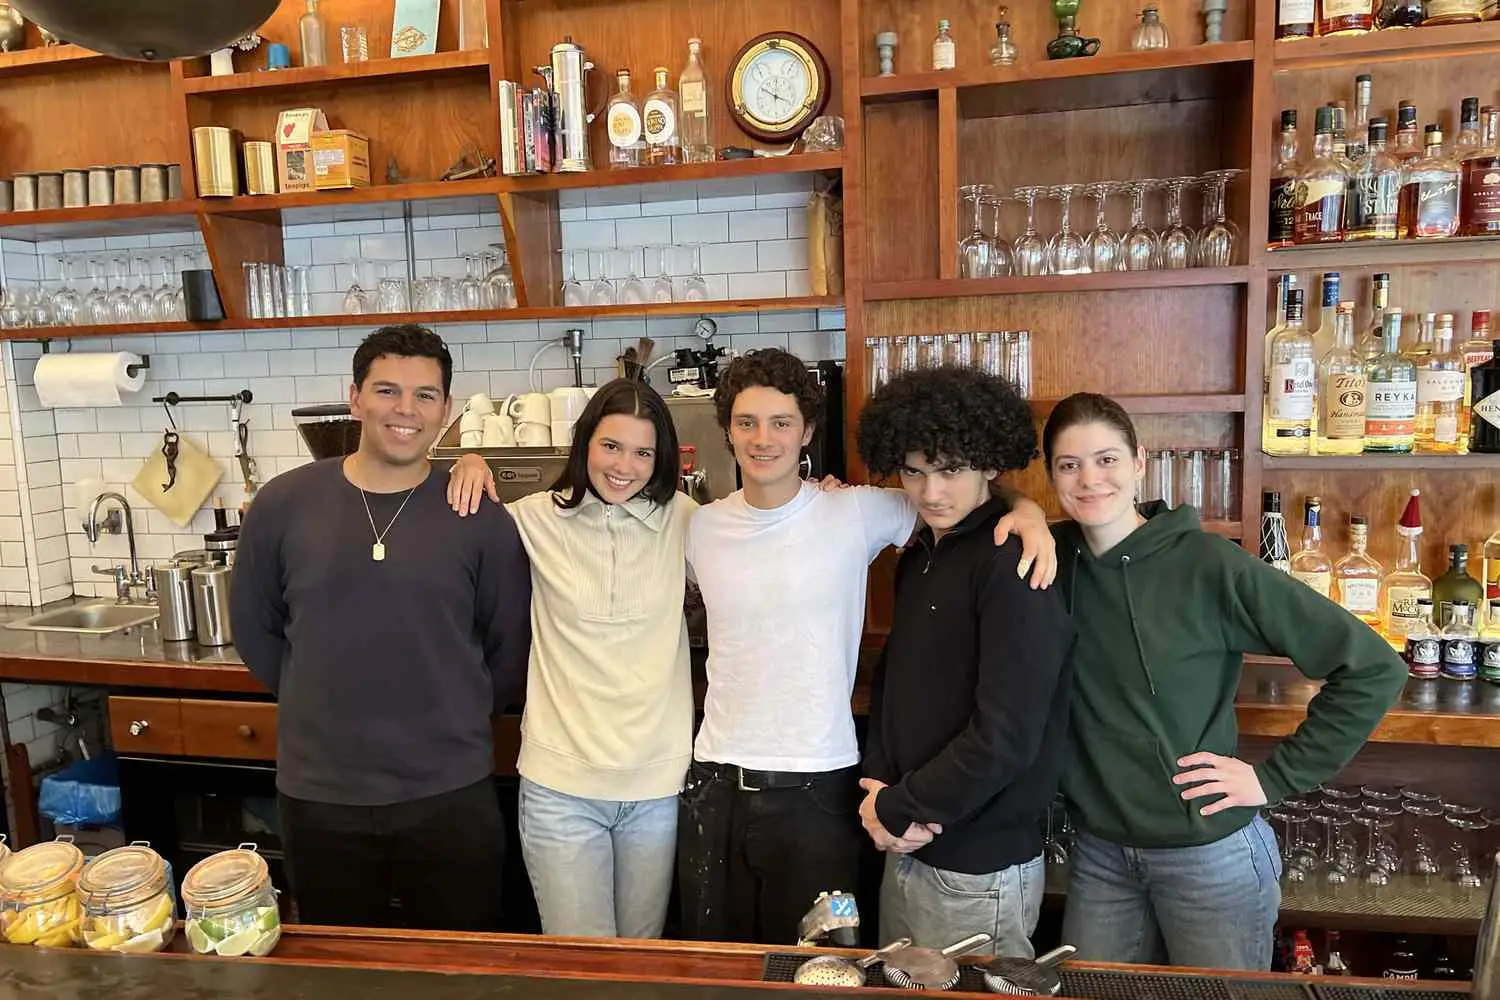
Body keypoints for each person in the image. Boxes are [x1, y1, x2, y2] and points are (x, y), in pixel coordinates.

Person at [678, 348, 1058, 945]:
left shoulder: (856, 511)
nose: (763, 438)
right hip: (717, 780)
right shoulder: (699, 525)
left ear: (807, 430)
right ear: (726, 430)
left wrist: (1029, 510)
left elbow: (971, 504)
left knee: (824, 968)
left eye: (781, 422)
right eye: (747, 422)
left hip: (820, 789)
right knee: (723, 968)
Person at [1041, 392, 1407, 971]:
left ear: (1140, 463)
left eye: (1106, 460)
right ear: (1051, 478)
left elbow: (1373, 668)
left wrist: (1275, 778)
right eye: (1069, 465)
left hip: (1208, 855)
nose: (1090, 479)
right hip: (1101, 854)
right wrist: (1018, 509)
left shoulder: (1209, 564)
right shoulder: (1052, 557)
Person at [230, 324, 531, 931]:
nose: (406, 410)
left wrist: (450, 711)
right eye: (388, 390)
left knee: (460, 969)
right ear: (355, 397)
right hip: (321, 795)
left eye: (425, 396)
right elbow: (257, 633)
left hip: (450, 793)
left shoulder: (477, 515)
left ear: (446, 410)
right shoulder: (283, 505)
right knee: (342, 971)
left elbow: (508, 649)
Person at [445, 379, 694, 939]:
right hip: (561, 788)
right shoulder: (533, 519)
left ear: (662, 459)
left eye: (642, 452)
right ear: (584, 444)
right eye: (611, 446)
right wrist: (465, 462)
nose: (624, 466)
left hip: (655, 788)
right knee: (584, 971)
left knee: (639, 963)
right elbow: (455, 543)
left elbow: (755, 546)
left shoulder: (686, 520)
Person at [854, 366, 1075, 956]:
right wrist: (881, 791)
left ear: (988, 464)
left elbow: (1006, 737)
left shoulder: (1013, 565)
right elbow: (896, 687)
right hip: (907, 842)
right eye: (914, 472)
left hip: (978, 866)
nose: (930, 493)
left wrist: (899, 807)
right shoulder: (922, 553)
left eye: (950, 470)